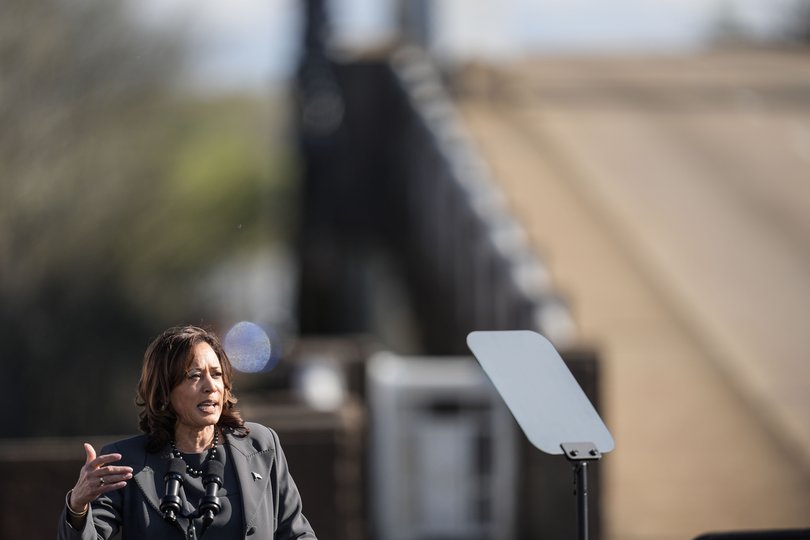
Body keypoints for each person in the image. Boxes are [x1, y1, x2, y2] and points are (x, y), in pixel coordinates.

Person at [58, 325, 317, 540]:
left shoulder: (261, 446)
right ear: (164, 391)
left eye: (216, 374)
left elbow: (297, 533)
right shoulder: (125, 461)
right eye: (194, 376)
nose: (210, 386)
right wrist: (78, 507)